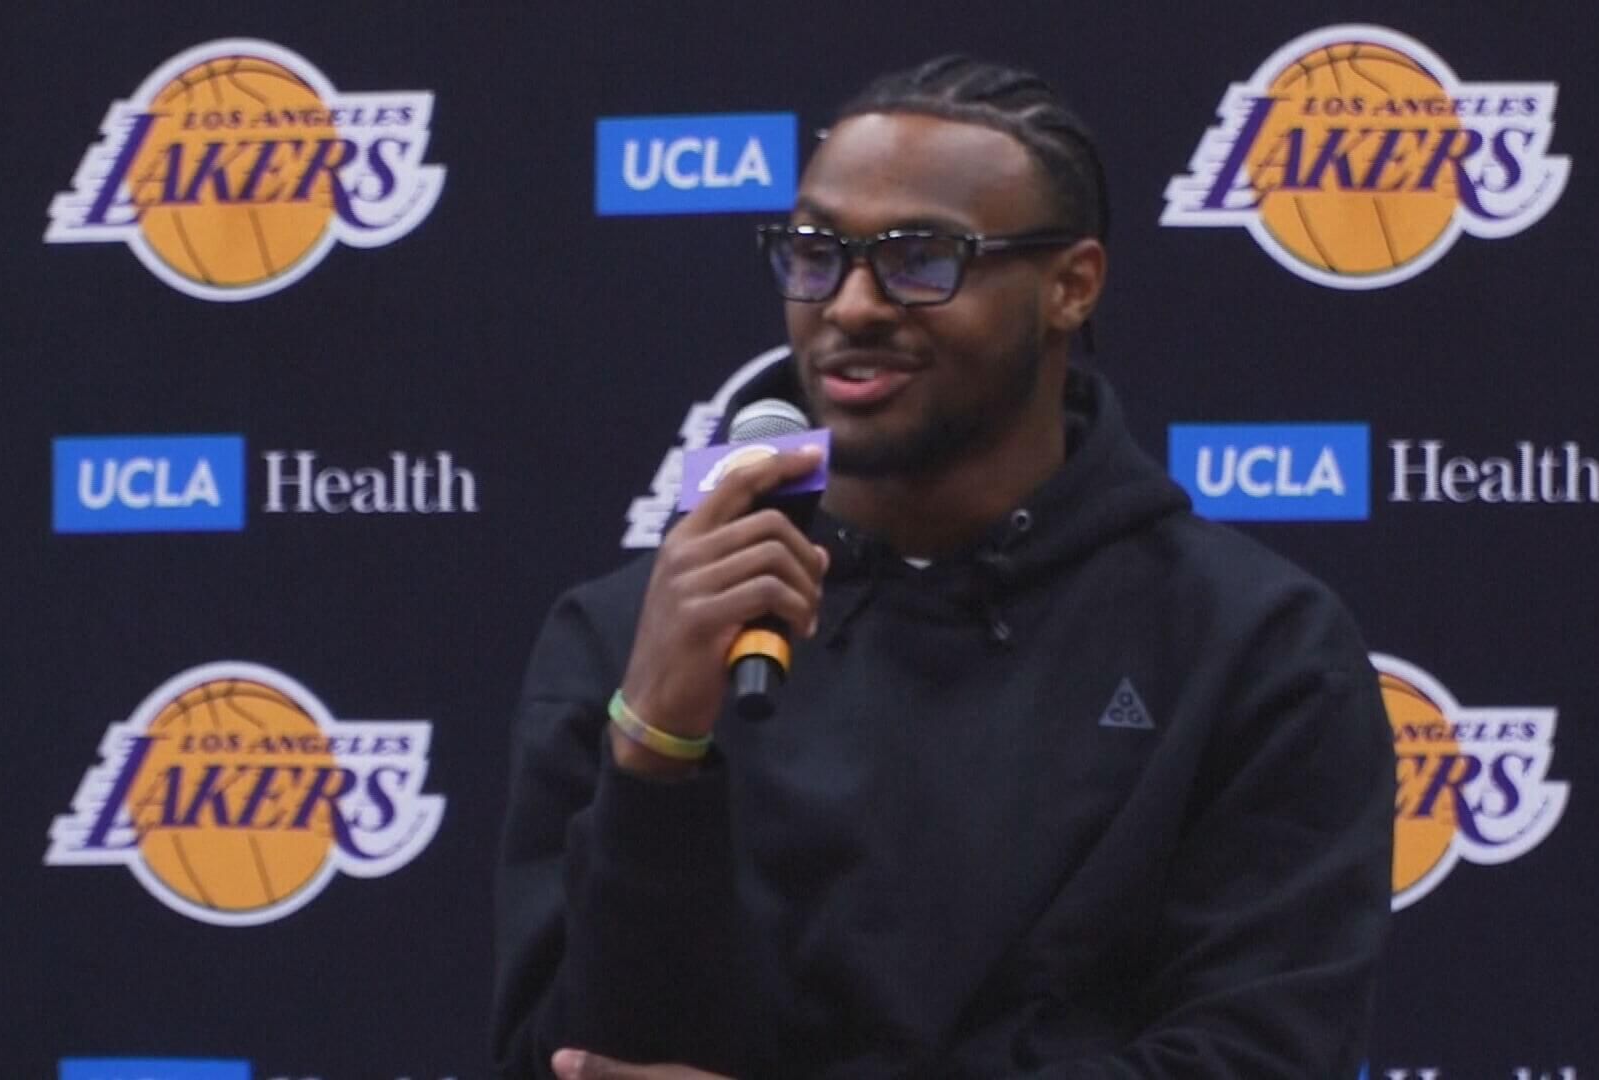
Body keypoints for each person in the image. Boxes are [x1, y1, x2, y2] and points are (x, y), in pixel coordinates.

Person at [494, 56, 1393, 1080]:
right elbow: (557, 1064)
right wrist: (655, 755)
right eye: (815, 253)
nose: (852, 304)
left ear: (1071, 286)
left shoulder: (1254, 645)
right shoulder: (627, 639)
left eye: (921, 259)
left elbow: (1258, 1057)